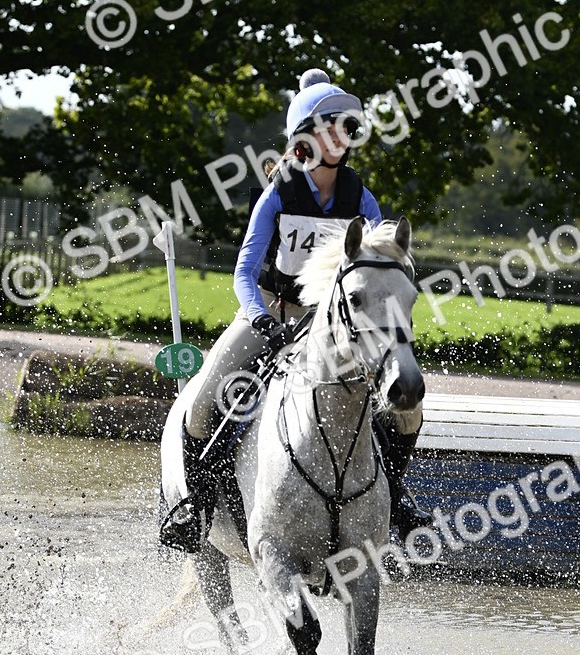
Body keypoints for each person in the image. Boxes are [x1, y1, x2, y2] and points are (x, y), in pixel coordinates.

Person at [160, 68, 428, 550]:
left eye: (349, 127)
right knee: (203, 405)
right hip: (270, 313)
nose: (343, 136)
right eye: (334, 126)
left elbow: (378, 267)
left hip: (336, 326)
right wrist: (258, 316)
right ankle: (195, 508)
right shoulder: (279, 192)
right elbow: (244, 269)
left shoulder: (359, 197)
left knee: (409, 412)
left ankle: (396, 496)